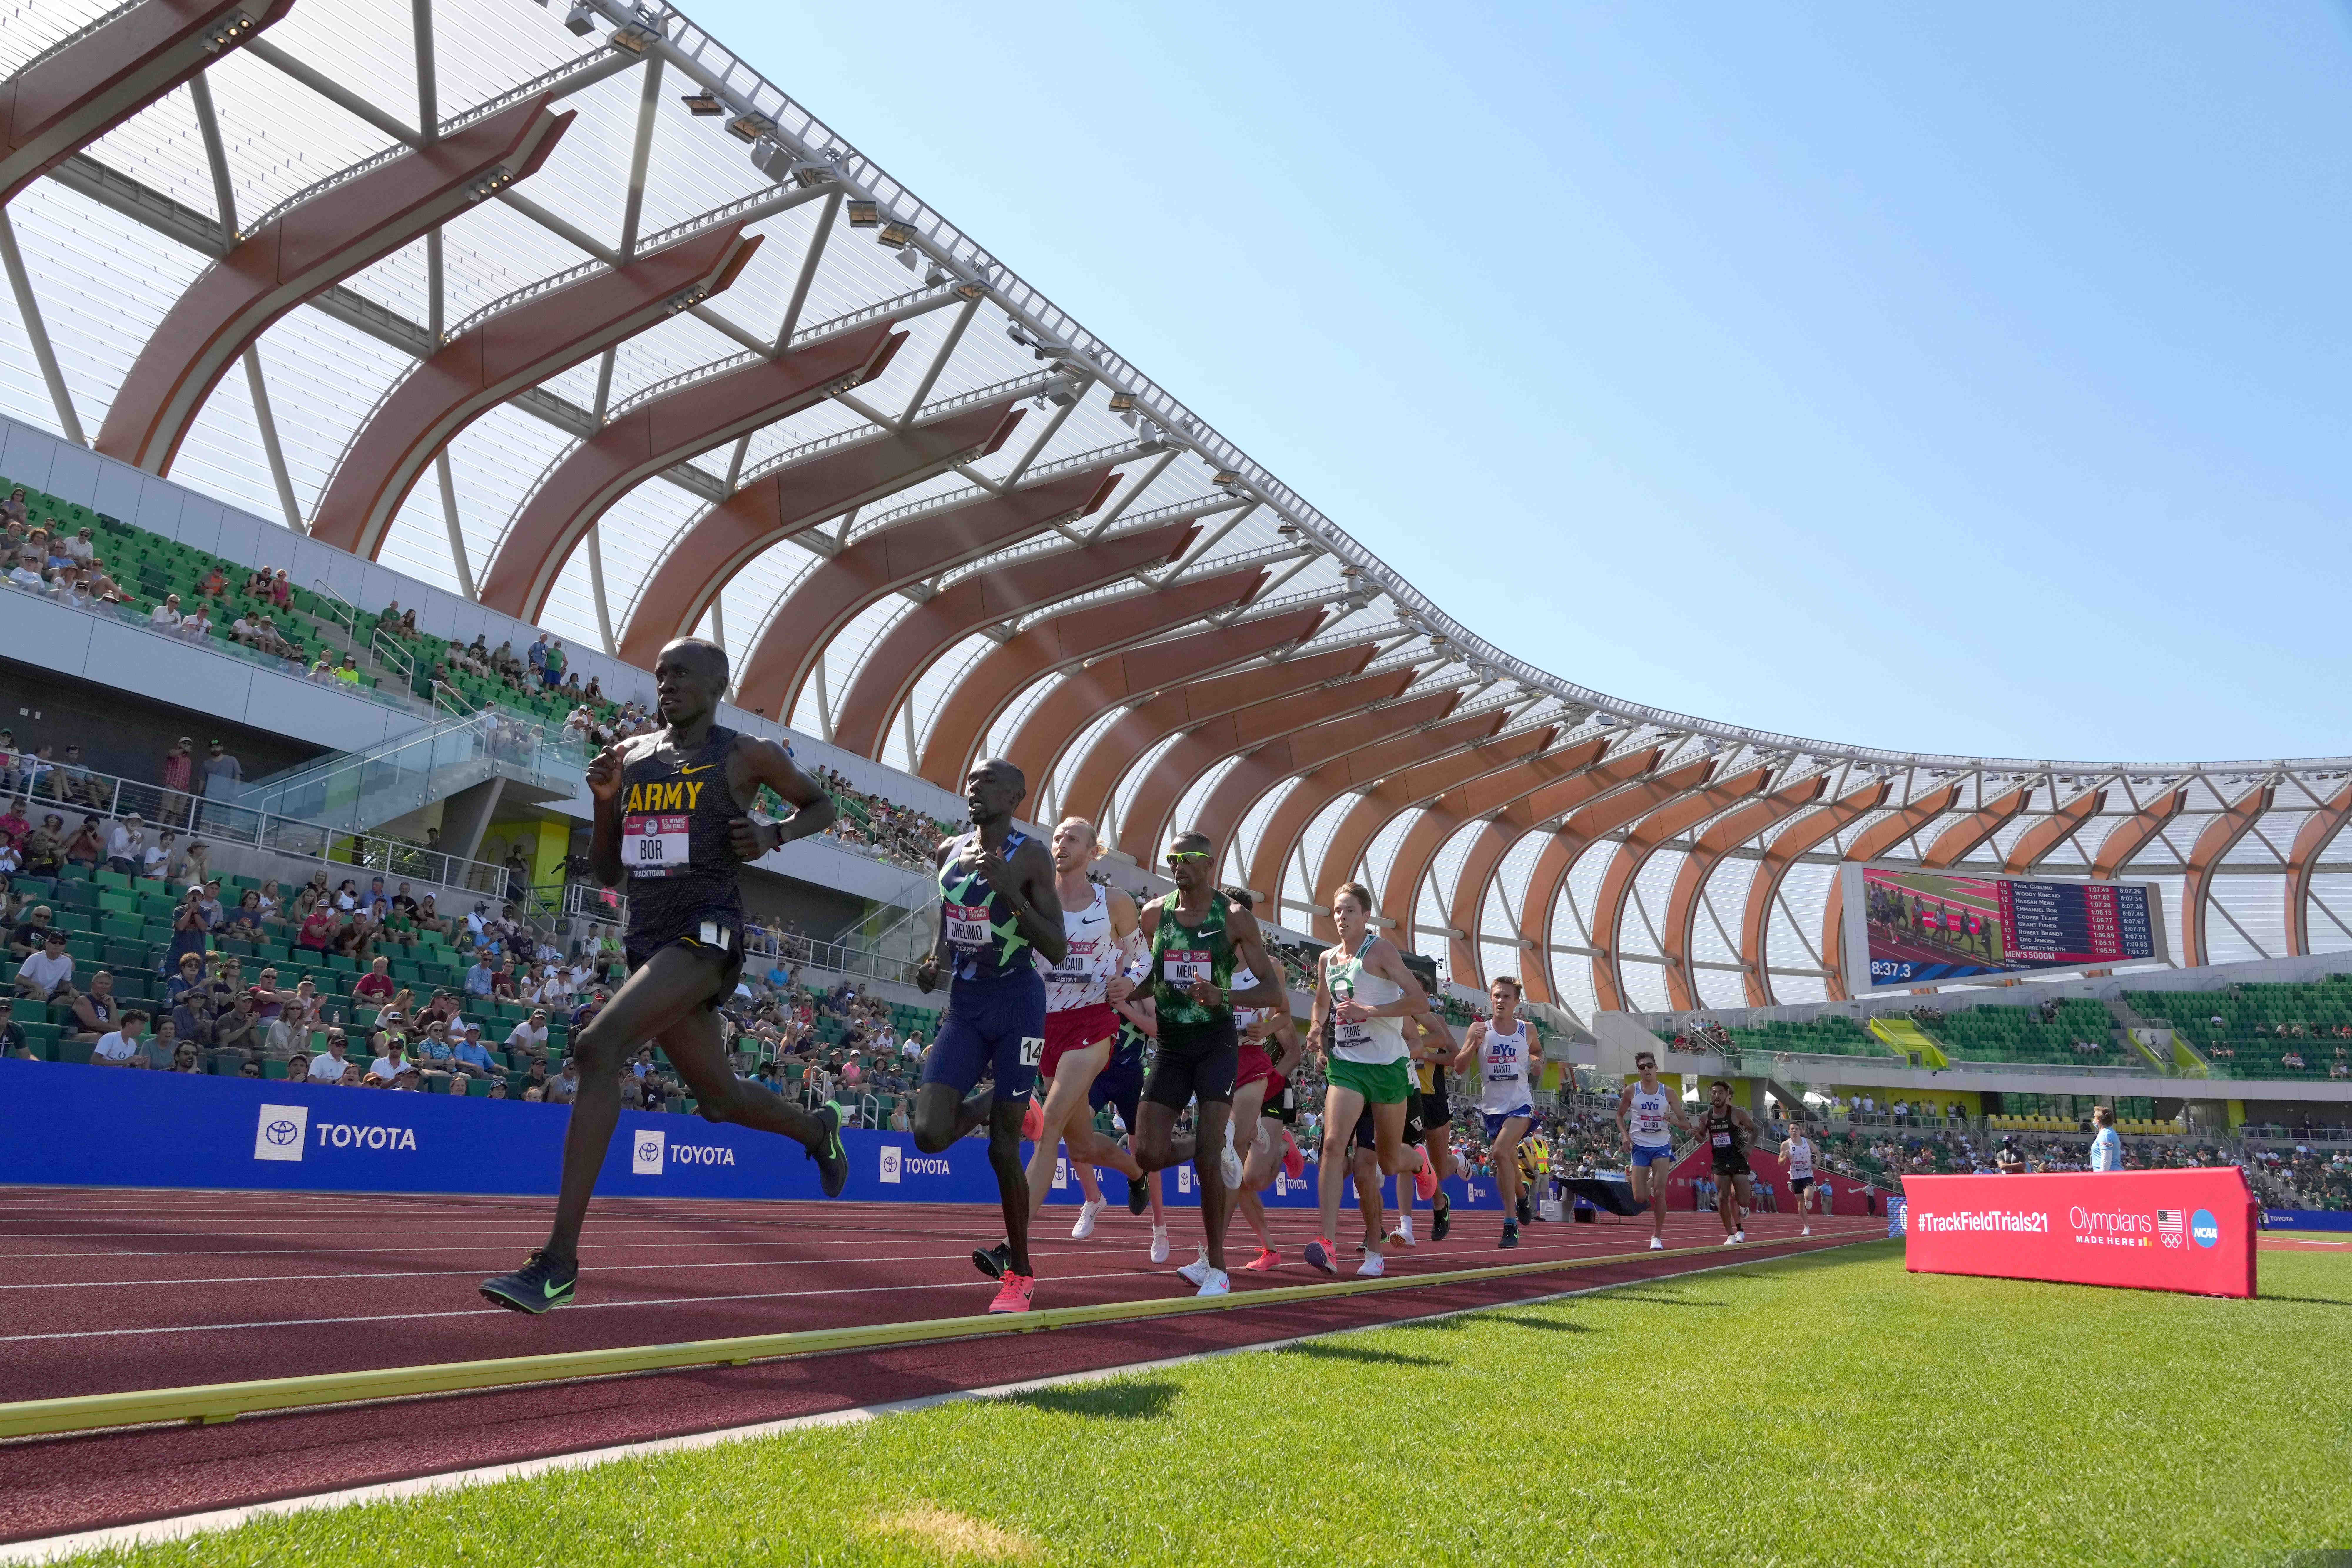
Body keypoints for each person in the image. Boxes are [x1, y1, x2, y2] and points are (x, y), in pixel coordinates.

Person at [481, 640, 846, 1315]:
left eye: (681, 674)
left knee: (597, 1048)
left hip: (708, 933)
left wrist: (772, 836)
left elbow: (823, 808)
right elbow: (613, 872)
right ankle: (816, 1130)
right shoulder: (632, 756)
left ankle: (557, 1264)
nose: (667, 684)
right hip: (648, 939)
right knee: (719, 1099)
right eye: (661, 675)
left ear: (718, 684)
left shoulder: (748, 754)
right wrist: (603, 802)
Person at [911, 758, 1067, 1315]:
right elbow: (954, 925)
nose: (974, 787)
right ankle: (1008, 1102)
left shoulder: (1030, 855)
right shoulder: (946, 852)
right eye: (971, 779)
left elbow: (1057, 947)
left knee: (1004, 1150)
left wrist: (1013, 893)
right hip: (967, 1005)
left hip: (1017, 1002)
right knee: (929, 1133)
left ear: (1016, 795)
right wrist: (935, 962)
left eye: (989, 781)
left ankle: (1020, 1273)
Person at [975, 818, 1145, 1283]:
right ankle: (1136, 1175)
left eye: (1073, 838)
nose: (1061, 843)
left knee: (1046, 1129)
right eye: (1057, 837)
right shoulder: (1033, 900)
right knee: (1082, 1144)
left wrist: (1128, 981)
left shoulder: (1114, 902)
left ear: (1094, 851)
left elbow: (1143, 956)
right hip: (1043, 1026)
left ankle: (1013, 1247)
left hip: (1093, 1025)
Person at [1127, 831, 1285, 1296]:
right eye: (1172, 857)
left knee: (1208, 1161)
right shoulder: (1154, 914)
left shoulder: (1234, 918)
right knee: (1148, 1153)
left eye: (1188, 858)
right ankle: (1213, 1144)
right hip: (1174, 1045)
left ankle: (1216, 1267)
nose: (1178, 865)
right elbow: (1153, 975)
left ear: (1209, 863)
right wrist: (1125, 989)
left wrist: (1225, 995)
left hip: (1216, 1043)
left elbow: (1274, 995)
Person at [1305, 881, 1425, 1278]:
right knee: (1335, 1145)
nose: (1341, 917)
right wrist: (1316, 1026)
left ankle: (1419, 1163)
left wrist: (1370, 1011)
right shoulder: (1327, 959)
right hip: (1348, 1065)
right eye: (1337, 911)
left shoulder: (1382, 951)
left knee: (1389, 1163)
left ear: (1365, 915)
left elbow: (1419, 1001)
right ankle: (1329, 1243)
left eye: (1349, 910)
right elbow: (1322, 999)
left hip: (1388, 1067)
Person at [1456, 974, 1540, 1249]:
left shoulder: (1526, 1030)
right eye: (1496, 995)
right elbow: (1459, 1068)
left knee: (1501, 1152)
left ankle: (1510, 1224)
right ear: (1490, 999)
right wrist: (1473, 1045)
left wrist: (1537, 1062)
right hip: (1491, 1108)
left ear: (1516, 1002)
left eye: (1506, 996)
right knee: (1504, 1164)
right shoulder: (1478, 1029)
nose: (1500, 1000)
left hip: (1520, 1104)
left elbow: (1537, 1051)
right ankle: (1522, 1195)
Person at [1617, 1049, 1693, 1250]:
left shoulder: (1667, 1092)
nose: (1646, 1070)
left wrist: (1673, 1120)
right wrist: (1625, 1136)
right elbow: (1619, 1116)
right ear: (1639, 1071)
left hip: (1661, 1146)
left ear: (1656, 1068)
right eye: (1642, 1067)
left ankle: (1656, 1236)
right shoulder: (1631, 1092)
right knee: (1640, 1198)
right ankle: (1649, 1182)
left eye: (1650, 1066)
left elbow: (1686, 1123)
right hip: (1640, 1147)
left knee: (1660, 1192)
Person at [1700, 1081, 1760, 1245]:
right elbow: (1701, 1137)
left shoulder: (1737, 1114)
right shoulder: (1706, 1116)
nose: (1717, 1096)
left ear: (1727, 1095)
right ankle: (1730, 1235)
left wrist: (1749, 1147)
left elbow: (1755, 1129)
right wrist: (1693, 1132)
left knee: (1743, 1200)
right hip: (1719, 1161)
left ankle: (1743, 1209)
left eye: (1720, 1093)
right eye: (1714, 1092)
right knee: (1722, 1197)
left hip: (1738, 1159)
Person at [1781, 1121, 1820, 1236]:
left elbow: (1818, 1153)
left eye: (1796, 1129)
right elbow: (1780, 1162)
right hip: (1795, 1175)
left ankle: (1809, 1199)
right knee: (1800, 1203)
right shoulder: (1786, 1145)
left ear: (1800, 1131)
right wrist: (1785, 1158)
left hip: (1807, 1173)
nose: (1794, 1131)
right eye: (1792, 1129)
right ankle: (1806, 1227)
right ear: (1789, 1131)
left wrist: (1817, 1164)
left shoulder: (1807, 1142)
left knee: (1808, 1196)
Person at [2089, 1106, 2122, 1173]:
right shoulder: (2110, 1133)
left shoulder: (2105, 1135)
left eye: (2095, 1117)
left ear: (2098, 1119)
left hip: (2110, 1175)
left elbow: (2106, 1159)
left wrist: (2103, 1177)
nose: (2094, 1120)